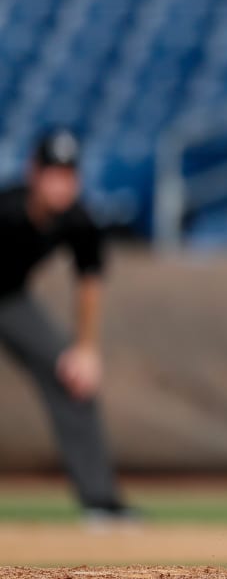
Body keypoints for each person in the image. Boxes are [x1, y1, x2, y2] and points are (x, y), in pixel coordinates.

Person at [0, 129, 133, 521]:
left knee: (73, 377)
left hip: (10, 301)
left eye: (68, 175)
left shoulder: (78, 220)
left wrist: (86, 348)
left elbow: (89, 280)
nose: (60, 184)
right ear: (33, 173)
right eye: (52, 173)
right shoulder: (5, 209)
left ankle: (100, 501)